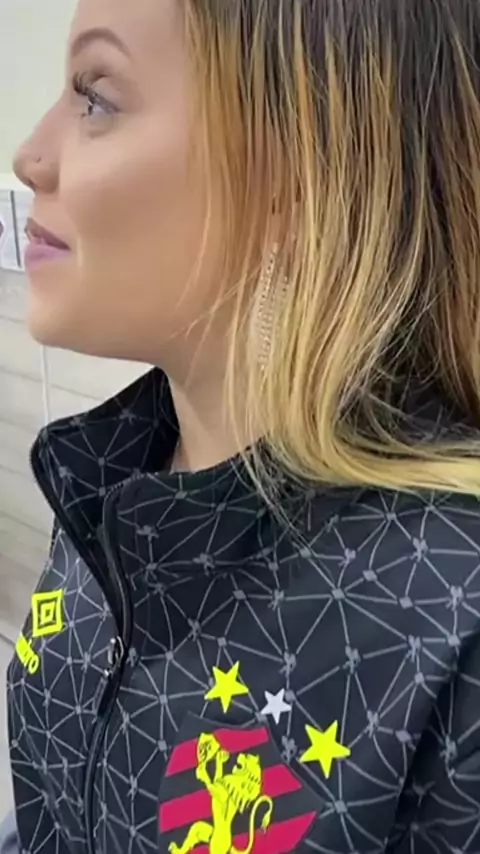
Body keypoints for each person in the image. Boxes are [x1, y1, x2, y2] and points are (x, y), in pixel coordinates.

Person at [2, 0, 480, 852]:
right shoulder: (109, 487)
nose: (30, 155)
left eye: (96, 96)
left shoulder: (450, 632)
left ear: (296, 171)